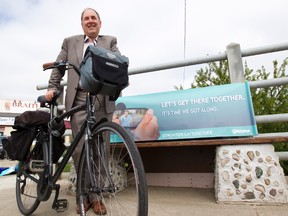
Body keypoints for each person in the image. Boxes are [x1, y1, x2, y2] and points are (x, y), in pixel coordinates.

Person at [45, 7, 121, 215]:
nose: (90, 21)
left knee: (100, 150)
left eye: (93, 18)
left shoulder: (110, 41)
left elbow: (118, 64)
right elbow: (59, 67)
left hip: (102, 99)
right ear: (82, 24)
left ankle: (97, 197)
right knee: (79, 150)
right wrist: (53, 87)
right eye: (86, 18)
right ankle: (83, 195)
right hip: (79, 98)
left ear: (100, 22)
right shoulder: (70, 42)